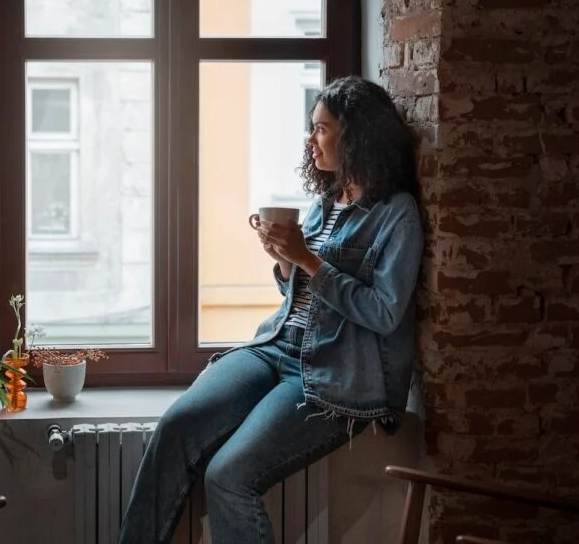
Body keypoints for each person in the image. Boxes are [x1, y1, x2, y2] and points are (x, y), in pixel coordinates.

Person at [118, 75, 424, 544]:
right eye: (312, 127)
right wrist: (284, 263)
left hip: (330, 372)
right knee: (176, 426)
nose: (311, 138)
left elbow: (385, 312)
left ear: (356, 134)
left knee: (228, 477)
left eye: (321, 128)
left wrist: (306, 259)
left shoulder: (396, 214)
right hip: (276, 346)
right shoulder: (325, 202)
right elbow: (298, 297)